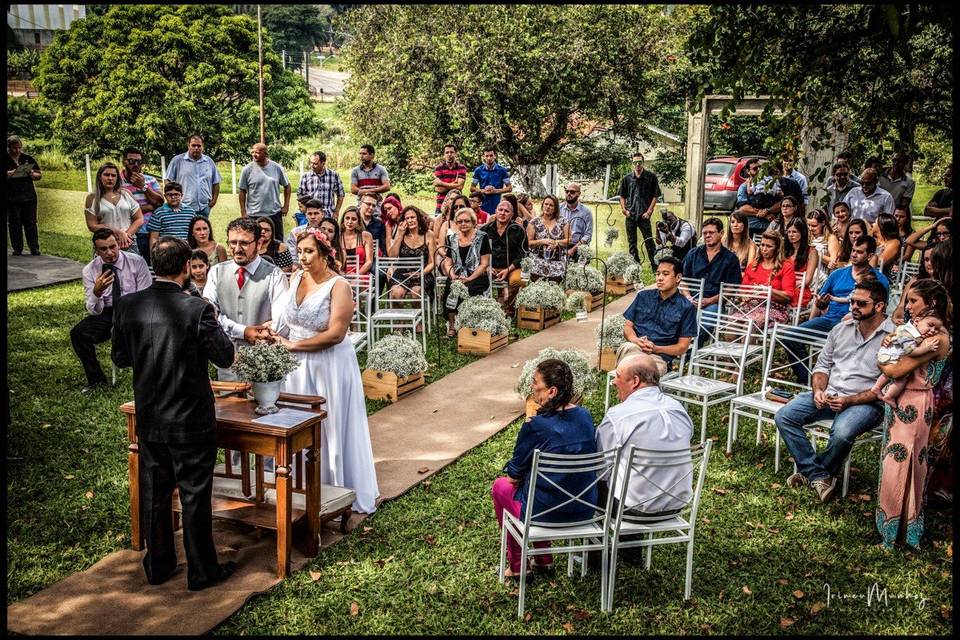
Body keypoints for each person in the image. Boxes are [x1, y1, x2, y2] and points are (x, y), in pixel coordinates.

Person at [110, 236, 236, 591]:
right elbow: (225, 356)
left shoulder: (127, 306)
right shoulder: (195, 309)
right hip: (191, 418)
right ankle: (201, 571)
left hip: (150, 416)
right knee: (194, 495)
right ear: (186, 268)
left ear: (153, 266)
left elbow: (121, 358)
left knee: (156, 495)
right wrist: (204, 310)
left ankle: (158, 566)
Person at [269, 228, 380, 514]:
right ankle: (299, 488)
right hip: (296, 366)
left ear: (324, 253)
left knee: (328, 424)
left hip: (328, 363)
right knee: (297, 423)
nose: (303, 258)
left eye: (309, 252)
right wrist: (269, 333)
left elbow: (336, 334)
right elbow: (284, 319)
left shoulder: (339, 285)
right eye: (300, 252)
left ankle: (335, 487)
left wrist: (294, 345)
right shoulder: (296, 277)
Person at [775, 279, 895, 503]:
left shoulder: (893, 338)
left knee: (842, 433)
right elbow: (822, 366)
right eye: (852, 302)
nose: (854, 307)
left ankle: (813, 473)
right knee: (785, 416)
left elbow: (888, 385)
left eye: (861, 303)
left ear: (879, 306)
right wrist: (819, 389)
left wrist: (849, 400)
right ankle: (819, 475)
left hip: (867, 402)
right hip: (830, 394)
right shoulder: (840, 329)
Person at [491, 359, 598, 580]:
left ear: (552, 390)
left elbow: (513, 476)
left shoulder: (535, 426)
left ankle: (519, 566)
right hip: (584, 508)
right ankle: (543, 559)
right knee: (541, 487)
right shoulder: (586, 417)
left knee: (501, 487)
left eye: (535, 383)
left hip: (546, 513)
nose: (532, 387)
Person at [595, 354, 693, 563]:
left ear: (635, 381)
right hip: (676, 504)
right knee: (631, 480)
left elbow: (600, 467)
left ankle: (595, 557)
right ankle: (631, 554)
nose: (613, 381)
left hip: (634, 511)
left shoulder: (618, 416)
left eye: (618, 376)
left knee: (595, 484)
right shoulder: (679, 409)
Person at [875, 279, 951, 549]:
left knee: (903, 462)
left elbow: (894, 370)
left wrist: (884, 354)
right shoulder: (920, 332)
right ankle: (899, 528)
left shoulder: (936, 338)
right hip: (910, 400)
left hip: (916, 402)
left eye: (913, 301)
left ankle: (897, 532)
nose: (907, 306)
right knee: (901, 460)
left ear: (930, 303)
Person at [784, 235, 889, 384]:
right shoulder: (837, 274)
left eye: (859, 252)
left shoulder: (879, 280)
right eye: (853, 250)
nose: (853, 254)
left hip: (859, 326)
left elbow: (881, 311)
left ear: (870, 255)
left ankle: (840, 382)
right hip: (829, 320)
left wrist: (854, 317)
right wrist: (820, 306)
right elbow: (820, 300)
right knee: (789, 337)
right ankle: (807, 378)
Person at [202, 217, 289, 381]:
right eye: (232, 243)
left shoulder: (275, 275)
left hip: (265, 366)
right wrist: (242, 331)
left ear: (259, 243)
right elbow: (209, 316)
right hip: (227, 363)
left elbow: (281, 322)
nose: (237, 249)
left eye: (244, 243)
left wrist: (264, 333)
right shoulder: (216, 272)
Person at [71, 229, 152, 392]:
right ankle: (96, 380)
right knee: (78, 333)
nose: (109, 252)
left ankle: (145, 373)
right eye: (103, 249)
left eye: (112, 246)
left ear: (118, 244)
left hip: (134, 310)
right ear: (96, 250)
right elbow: (94, 311)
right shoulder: (90, 270)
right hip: (108, 312)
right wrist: (97, 292)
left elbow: (147, 296)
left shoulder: (136, 262)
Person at [617, 257, 696, 376]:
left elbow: (682, 347)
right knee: (627, 348)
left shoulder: (686, 307)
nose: (659, 278)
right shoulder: (643, 297)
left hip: (659, 358)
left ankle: (628, 386)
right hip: (634, 349)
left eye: (665, 274)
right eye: (658, 274)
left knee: (643, 372)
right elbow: (627, 326)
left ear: (678, 278)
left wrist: (656, 349)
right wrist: (635, 340)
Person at [681, 217, 742, 335]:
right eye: (705, 233)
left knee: (704, 324)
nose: (707, 236)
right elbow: (683, 280)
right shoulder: (693, 254)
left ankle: (693, 352)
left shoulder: (730, 259)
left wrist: (709, 301)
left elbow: (731, 289)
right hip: (689, 301)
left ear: (721, 233)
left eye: (711, 232)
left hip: (713, 303)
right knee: (671, 318)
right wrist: (688, 297)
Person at [871, 314, 944, 408]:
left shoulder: (908, 329)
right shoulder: (909, 334)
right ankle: (889, 396)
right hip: (890, 356)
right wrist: (927, 348)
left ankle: (876, 387)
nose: (933, 330)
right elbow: (910, 351)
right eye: (930, 325)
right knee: (901, 379)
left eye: (937, 329)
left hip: (887, 355)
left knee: (886, 375)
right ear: (917, 321)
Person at [440, 207, 491, 337]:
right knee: (450, 289)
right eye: (460, 221)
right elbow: (448, 262)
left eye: (466, 221)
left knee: (467, 289)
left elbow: (484, 263)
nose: (463, 224)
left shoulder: (482, 237)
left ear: (473, 222)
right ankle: (452, 325)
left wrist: (470, 278)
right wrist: (452, 275)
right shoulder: (452, 239)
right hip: (456, 275)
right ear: (456, 223)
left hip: (476, 276)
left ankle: (466, 324)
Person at [736, 230, 796, 328]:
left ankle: (748, 343)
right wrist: (743, 296)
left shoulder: (786, 266)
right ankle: (732, 344)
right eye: (762, 245)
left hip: (774, 308)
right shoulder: (753, 265)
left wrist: (768, 290)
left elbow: (788, 295)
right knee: (731, 324)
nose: (764, 249)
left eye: (769, 246)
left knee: (750, 325)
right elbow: (743, 289)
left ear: (777, 249)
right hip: (750, 306)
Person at [84, 162, 145, 255]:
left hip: (128, 242)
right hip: (105, 244)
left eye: (113, 175)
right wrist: (116, 232)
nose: (110, 178)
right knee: (107, 269)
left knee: (132, 269)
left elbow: (139, 218)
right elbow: (92, 225)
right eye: (106, 175)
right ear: (100, 176)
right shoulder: (92, 198)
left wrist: (126, 235)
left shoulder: (126, 194)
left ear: (117, 178)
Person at [481, 198, 527, 314]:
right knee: (476, 278)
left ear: (512, 214)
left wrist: (508, 269)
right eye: (500, 210)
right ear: (495, 211)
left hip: (511, 267)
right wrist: (486, 267)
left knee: (518, 281)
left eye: (506, 211)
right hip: (489, 266)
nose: (502, 213)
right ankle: (486, 309)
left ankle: (508, 308)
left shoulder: (518, 230)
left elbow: (523, 254)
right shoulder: (485, 230)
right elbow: (477, 252)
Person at [238, 142, 291, 240]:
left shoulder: (276, 168)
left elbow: (287, 186)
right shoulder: (247, 169)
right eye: (252, 152)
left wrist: (286, 205)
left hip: (274, 213)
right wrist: (243, 212)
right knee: (253, 240)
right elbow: (242, 191)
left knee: (277, 241)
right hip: (254, 214)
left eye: (257, 152)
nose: (254, 154)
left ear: (265, 153)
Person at [120, 147, 164, 261]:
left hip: (150, 231)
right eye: (131, 161)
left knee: (152, 265)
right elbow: (122, 209)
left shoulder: (150, 180)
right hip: (128, 232)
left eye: (139, 162)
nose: (136, 164)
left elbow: (160, 203)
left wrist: (143, 187)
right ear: (124, 161)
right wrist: (149, 207)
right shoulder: (116, 182)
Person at [618, 151, 661, 266]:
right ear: (632, 163)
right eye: (635, 163)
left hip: (644, 215)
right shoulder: (627, 179)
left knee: (649, 242)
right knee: (632, 243)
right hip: (630, 215)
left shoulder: (651, 177)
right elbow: (622, 196)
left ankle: (654, 265)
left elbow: (655, 195)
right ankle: (635, 265)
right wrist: (624, 210)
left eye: (639, 162)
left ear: (643, 163)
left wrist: (649, 211)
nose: (637, 165)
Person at [386, 205, 436, 302]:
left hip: (422, 274)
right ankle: (400, 317)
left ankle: (417, 317)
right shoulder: (401, 233)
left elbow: (432, 262)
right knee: (396, 294)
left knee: (416, 292)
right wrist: (399, 235)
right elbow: (392, 256)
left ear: (418, 218)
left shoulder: (429, 235)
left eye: (412, 217)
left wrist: (421, 273)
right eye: (407, 218)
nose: (410, 220)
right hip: (402, 274)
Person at [164, 134, 221, 217]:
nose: (196, 148)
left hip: (204, 208)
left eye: (199, 146)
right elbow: (168, 181)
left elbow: (216, 183)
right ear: (188, 145)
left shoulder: (209, 161)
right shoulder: (178, 160)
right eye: (193, 145)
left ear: (203, 146)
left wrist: (213, 202)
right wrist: (173, 200)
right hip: (183, 208)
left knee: (202, 230)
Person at [5, 134, 42, 256]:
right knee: (14, 223)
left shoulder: (28, 158)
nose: (17, 150)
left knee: (31, 222)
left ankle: (34, 248)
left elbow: (39, 175)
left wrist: (32, 174)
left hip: (29, 196)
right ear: (9, 147)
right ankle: (17, 248)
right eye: (14, 148)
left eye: (19, 147)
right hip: (11, 197)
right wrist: (13, 172)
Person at [526, 195, 570, 283]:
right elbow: (529, 243)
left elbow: (569, 240)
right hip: (538, 259)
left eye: (551, 205)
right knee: (537, 279)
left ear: (555, 208)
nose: (548, 207)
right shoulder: (534, 222)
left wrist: (556, 242)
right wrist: (542, 241)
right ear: (542, 206)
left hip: (557, 259)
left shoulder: (563, 222)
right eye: (546, 204)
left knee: (556, 279)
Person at [147, 181, 196, 250]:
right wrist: (153, 255)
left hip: (186, 249)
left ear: (181, 195)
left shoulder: (190, 212)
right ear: (165, 196)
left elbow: (194, 233)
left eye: (176, 194)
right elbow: (154, 237)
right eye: (169, 195)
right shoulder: (159, 213)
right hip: (166, 251)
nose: (173, 197)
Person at [296, 150, 344, 220]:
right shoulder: (305, 176)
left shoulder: (334, 175)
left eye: (315, 163)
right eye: (311, 163)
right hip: (311, 216)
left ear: (323, 163)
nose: (312, 166)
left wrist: (336, 212)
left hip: (328, 215)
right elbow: (300, 195)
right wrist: (303, 207)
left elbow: (341, 194)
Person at [784, 217, 817, 309]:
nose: (791, 235)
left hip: (799, 288)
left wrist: (789, 285)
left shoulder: (812, 252)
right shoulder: (784, 251)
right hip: (783, 287)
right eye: (789, 232)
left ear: (802, 233)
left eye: (794, 232)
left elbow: (807, 280)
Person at [470, 146, 512, 218]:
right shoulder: (478, 170)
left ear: (495, 156)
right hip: (482, 204)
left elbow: (509, 188)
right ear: (483, 157)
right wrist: (483, 191)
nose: (489, 158)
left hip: (496, 203)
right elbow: (472, 188)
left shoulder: (502, 170)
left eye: (491, 155)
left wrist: (495, 191)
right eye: (487, 156)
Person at [350, 144, 391, 209]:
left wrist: (368, 191)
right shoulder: (355, 171)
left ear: (372, 155)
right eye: (360, 154)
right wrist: (369, 192)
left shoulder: (381, 169)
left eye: (364, 154)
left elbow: (387, 186)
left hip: (377, 207)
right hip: (361, 206)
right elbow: (353, 189)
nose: (361, 156)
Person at [559, 182, 593, 259]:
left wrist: (573, 250)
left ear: (579, 194)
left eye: (572, 192)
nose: (569, 194)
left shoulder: (586, 212)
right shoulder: (559, 209)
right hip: (560, 245)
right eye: (567, 191)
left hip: (578, 246)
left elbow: (588, 235)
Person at [806, 208, 839, 287]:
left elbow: (833, 262)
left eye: (814, 226)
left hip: (821, 278)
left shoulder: (830, 238)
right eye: (809, 225)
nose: (811, 228)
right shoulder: (807, 237)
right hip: (806, 275)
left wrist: (815, 253)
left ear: (823, 222)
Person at [433, 143, 467, 216]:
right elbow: (438, 189)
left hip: (457, 205)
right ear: (444, 155)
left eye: (451, 152)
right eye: (447, 152)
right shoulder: (438, 168)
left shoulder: (461, 167)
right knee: (439, 226)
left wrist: (441, 183)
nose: (449, 154)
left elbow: (460, 187)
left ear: (455, 154)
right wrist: (454, 184)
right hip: (441, 204)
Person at [340, 206, 374, 276]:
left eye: (354, 219)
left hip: (361, 273)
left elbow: (369, 261)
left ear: (358, 221)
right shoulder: (338, 236)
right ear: (343, 220)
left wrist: (357, 275)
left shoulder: (366, 236)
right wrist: (342, 274)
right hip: (342, 274)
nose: (350, 222)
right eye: (347, 218)